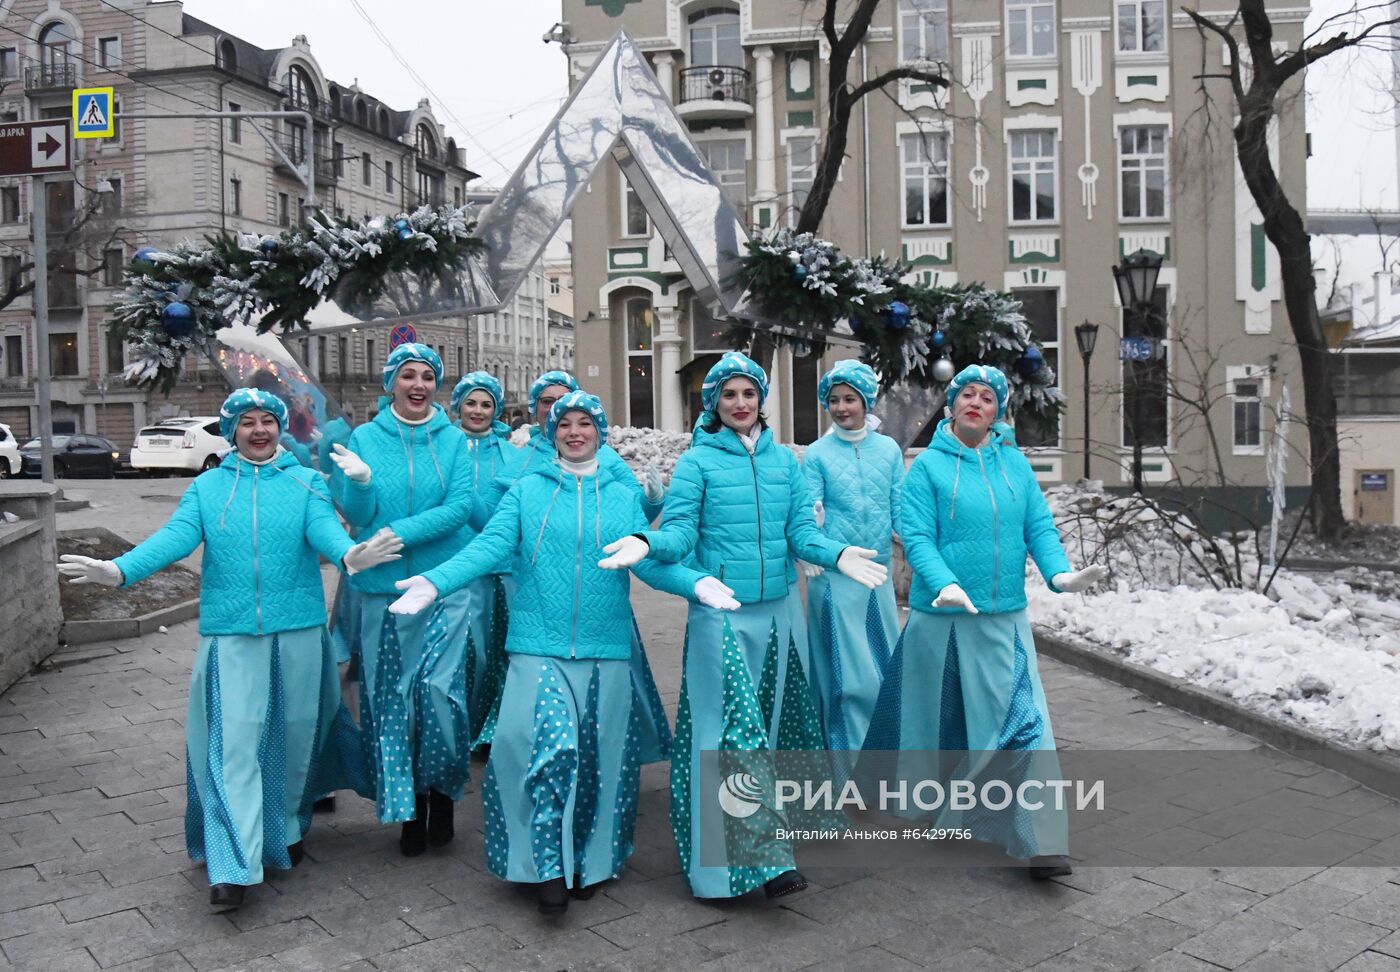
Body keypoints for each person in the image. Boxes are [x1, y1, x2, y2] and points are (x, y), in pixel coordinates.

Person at [389, 391, 740, 913]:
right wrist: (435, 583)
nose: (575, 432)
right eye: (565, 424)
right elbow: (488, 548)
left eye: (586, 424)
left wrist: (696, 584)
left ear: (600, 431)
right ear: (551, 433)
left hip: (606, 648)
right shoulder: (527, 491)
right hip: (537, 646)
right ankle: (544, 866)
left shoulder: (621, 497)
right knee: (544, 752)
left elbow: (647, 564)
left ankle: (593, 861)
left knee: (603, 762)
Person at [57, 389, 401, 910]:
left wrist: (351, 555)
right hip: (232, 634)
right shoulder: (208, 487)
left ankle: (285, 826)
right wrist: (119, 570)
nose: (259, 430)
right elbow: (174, 539)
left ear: (280, 428)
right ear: (231, 430)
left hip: (299, 633)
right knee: (234, 744)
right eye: (247, 423)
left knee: (295, 739)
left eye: (268, 421)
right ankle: (233, 862)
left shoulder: (305, 482)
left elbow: (326, 533)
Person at [599, 351, 888, 900]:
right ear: (713, 403)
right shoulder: (697, 463)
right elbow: (681, 534)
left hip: (780, 612)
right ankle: (748, 860)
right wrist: (648, 541)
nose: (740, 404)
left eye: (748, 394)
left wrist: (838, 553)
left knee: (778, 727)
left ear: (761, 401)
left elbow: (802, 534)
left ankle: (778, 837)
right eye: (728, 395)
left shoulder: (785, 463)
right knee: (730, 734)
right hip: (722, 612)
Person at [861, 365, 1107, 880]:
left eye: (987, 397)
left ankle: (1042, 841)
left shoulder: (1014, 465)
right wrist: (943, 581)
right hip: (942, 618)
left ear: (998, 411)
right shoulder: (926, 469)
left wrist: (1059, 575)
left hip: (1003, 618)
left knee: (1024, 722)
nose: (976, 402)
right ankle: (956, 813)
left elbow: (1038, 526)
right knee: (947, 725)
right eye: (966, 395)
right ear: (950, 407)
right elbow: (917, 535)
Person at [326, 343, 477, 857]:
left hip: (442, 586)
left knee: (440, 695)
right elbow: (354, 514)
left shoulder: (455, 440)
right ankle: (407, 806)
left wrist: (397, 532)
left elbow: (459, 508)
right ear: (390, 383)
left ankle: (443, 792)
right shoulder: (364, 437)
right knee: (392, 702)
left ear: (438, 386)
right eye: (407, 375)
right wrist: (363, 485)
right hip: (381, 592)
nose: (418, 385)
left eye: (427, 377)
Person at [483, 369, 673, 765]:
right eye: (548, 402)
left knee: (610, 687)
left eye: (564, 399)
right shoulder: (521, 459)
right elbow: (495, 521)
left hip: (599, 590)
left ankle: (613, 754)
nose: (557, 410)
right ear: (537, 409)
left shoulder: (602, 454)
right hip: (533, 585)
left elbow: (632, 513)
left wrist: (654, 501)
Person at [800, 361, 904, 775]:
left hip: (877, 576)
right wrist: (812, 550)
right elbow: (809, 515)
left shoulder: (889, 450)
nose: (842, 408)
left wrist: (921, 549)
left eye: (850, 399)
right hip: (836, 578)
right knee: (847, 681)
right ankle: (849, 771)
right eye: (835, 400)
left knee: (883, 671)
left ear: (866, 401)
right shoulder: (818, 455)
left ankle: (883, 761)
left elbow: (900, 509)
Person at [446, 370, 521, 747]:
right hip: (458, 566)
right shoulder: (443, 447)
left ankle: (497, 729)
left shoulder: (513, 454)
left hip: (503, 566)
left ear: (497, 409)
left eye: (486, 404)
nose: (478, 411)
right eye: (471, 403)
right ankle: (464, 726)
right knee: (465, 650)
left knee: (501, 651)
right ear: (457, 406)